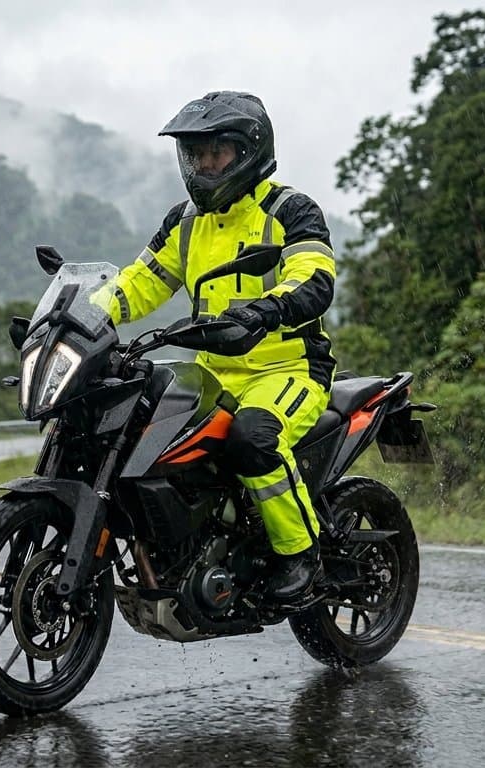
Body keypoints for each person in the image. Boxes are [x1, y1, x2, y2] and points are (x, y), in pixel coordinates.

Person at [95, 91, 337, 602]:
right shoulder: (184, 222)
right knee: (138, 427)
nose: (204, 165)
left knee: (254, 437)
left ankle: (301, 553)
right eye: (195, 154)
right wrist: (89, 314)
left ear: (249, 151)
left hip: (288, 368)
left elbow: (314, 278)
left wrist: (266, 309)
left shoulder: (289, 210)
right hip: (212, 372)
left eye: (216, 152)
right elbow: (140, 282)